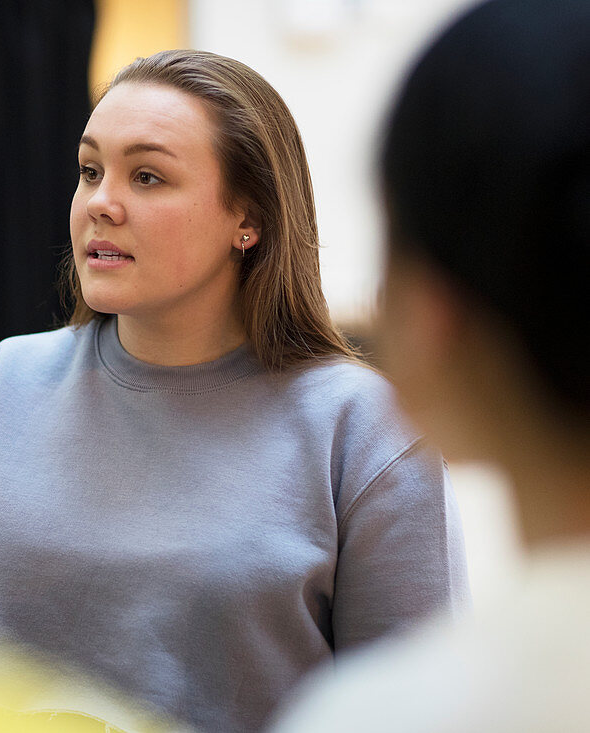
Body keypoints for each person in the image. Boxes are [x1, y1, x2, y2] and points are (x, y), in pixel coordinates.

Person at [0, 49, 469, 732]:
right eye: (89, 170)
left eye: (147, 176)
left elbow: (415, 705)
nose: (101, 203)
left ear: (247, 219)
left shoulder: (365, 426)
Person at [269, 1, 590, 731]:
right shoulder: (2, 382)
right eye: (88, 169)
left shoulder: (389, 714)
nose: (102, 204)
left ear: (430, 316)